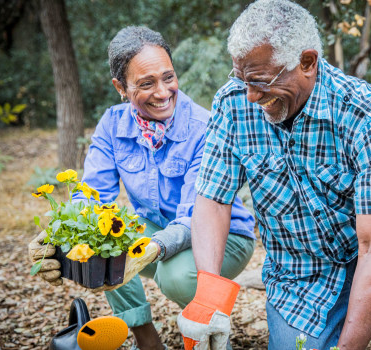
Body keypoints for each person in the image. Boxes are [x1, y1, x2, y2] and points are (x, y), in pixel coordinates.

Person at [177, 1, 371, 349]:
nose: (251, 96)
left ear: (307, 62)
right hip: (299, 280)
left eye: (259, 82)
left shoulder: (366, 113)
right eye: (242, 79)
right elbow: (212, 199)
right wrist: (209, 297)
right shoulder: (233, 104)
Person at [28, 26, 256, 350]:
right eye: (146, 84)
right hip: (160, 229)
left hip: (224, 235)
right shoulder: (112, 124)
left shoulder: (204, 128)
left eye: (168, 77)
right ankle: (148, 342)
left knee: (175, 275)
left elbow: (197, 215)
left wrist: (156, 247)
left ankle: (208, 336)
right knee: (103, 238)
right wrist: (58, 236)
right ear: (120, 87)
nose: (163, 92)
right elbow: (90, 197)